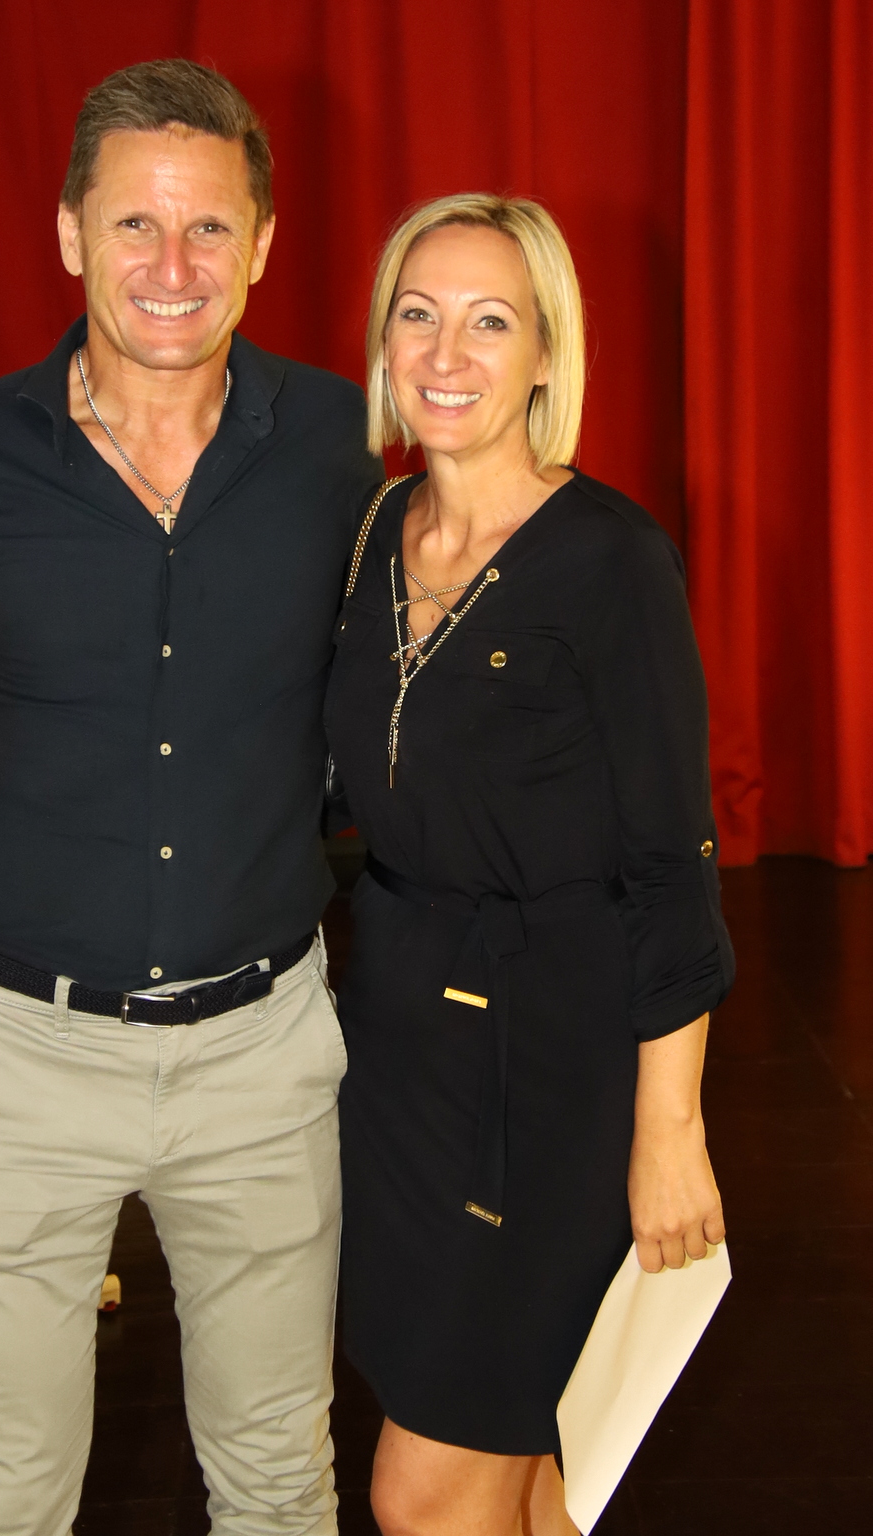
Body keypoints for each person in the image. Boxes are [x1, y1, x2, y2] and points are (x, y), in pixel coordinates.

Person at [0, 59, 381, 1536]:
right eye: (135, 223)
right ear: (70, 233)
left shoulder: (339, 446)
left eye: (210, 228)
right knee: (9, 1495)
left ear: (263, 245)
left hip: (262, 1057)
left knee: (280, 1484)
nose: (172, 266)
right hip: (17, 1064)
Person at [324, 194, 734, 1536]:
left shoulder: (612, 561)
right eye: (419, 314)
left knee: (424, 1493)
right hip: (394, 1049)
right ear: (384, 342)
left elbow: (672, 866)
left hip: (549, 1069)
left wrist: (668, 1136)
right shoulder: (377, 532)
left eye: (490, 322)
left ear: (548, 355)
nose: (446, 354)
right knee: (525, 1469)